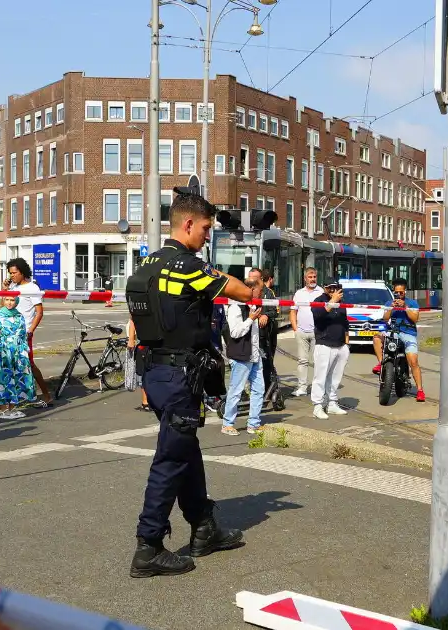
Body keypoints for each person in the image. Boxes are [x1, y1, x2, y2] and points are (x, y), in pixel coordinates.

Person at [125, 189, 257, 578]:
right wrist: (252, 290)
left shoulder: (144, 265)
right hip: (182, 375)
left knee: (186, 451)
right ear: (187, 224)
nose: (206, 234)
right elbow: (239, 290)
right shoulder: (188, 266)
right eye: (205, 227)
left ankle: (204, 527)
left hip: (156, 372)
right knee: (170, 459)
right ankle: (148, 546)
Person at [221, 269, 266, 436]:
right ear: (251, 290)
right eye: (260, 291)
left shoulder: (253, 306)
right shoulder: (236, 307)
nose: (261, 294)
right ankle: (227, 423)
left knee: (259, 389)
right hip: (241, 355)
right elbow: (235, 332)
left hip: (254, 354)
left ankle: (253, 423)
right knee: (236, 390)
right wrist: (251, 319)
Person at [7, 258, 53, 407]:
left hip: (24, 331)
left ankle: (46, 395)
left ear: (22, 272)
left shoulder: (32, 288)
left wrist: (30, 330)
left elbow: (39, 313)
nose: (12, 276)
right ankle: (15, 399)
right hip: (11, 331)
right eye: (10, 273)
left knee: (29, 364)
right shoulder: (13, 286)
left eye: (14, 273)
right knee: (11, 365)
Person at [371, 279, 425, 402]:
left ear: (405, 291)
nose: (399, 295)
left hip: (408, 333)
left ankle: (420, 390)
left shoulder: (412, 303)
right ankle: (381, 363)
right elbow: (385, 318)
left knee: (413, 361)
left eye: (401, 292)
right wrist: (391, 308)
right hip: (392, 331)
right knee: (376, 338)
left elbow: (415, 318)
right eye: (396, 292)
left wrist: (405, 307)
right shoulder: (389, 302)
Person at [0, 296, 36, 419]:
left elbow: (23, 334)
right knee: (2, 379)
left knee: (18, 379)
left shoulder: (19, 316)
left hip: (18, 352)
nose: (9, 303)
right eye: (7, 300)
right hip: (3, 352)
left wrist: (24, 349)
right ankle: (3, 410)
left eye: (12, 300)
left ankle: (11, 408)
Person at [310, 281, 350, 419]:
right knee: (320, 377)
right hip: (324, 344)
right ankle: (317, 405)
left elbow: (345, 323)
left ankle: (332, 403)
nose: (334, 290)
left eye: (336, 288)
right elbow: (318, 315)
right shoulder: (319, 300)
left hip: (340, 344)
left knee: (335, 377)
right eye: (331, 288)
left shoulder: (341, 302)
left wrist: (347, 344)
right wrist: (332, 301)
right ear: (325, 288)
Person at [289, 267, 322, 397]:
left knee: (317, 361)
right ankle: (302, 387)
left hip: (317, 331)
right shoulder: (299, 293)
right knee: (302, 361)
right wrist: (295, 329)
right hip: (302, 331)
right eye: (310, 277)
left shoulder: (321, 292)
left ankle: (316, 388)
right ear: (305, 279)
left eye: (314, 277)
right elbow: (293, 311)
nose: (312, 279)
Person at [258, 271, 282, 411]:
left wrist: (266, 315)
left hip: (267, 334)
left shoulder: (269, 293)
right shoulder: (247, 292)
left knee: (268, 362)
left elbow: (275, 311)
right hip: (254, 336)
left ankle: (270, 388)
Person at [126, 318, 149, 412]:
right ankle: (145, 402)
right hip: (144, 344)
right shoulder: (140, 304)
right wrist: (131, 339)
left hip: (158, 343)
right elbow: (132, 319)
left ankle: (149, 402)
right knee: (143, 374)